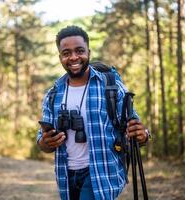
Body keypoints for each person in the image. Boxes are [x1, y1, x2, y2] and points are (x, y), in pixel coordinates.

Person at [37, 25, 149, 200]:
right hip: (66, 176)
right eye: (66, 53)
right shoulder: (53, 94)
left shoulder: (110, 86)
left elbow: (135, 128)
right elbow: (43, 143)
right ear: (60, 57)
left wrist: (143, 135)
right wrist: (46, 141)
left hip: (101, 173)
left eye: (79, 50)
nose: (73, 57)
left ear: (88, 52)